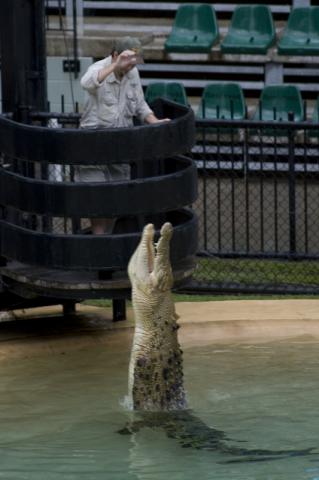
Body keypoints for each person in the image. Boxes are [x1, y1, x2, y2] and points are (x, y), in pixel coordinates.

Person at [78, 36, 169, 234]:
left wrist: (155, 121)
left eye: (133, 62)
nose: (130, 67)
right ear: (115, 55)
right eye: (127, 61)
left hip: (120, 146)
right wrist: (115, 65)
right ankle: (99, 247)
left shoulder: (132, 73)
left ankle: (105, 245)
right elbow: (86, 82)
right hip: (93, 144)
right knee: (96, 199)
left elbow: (139, 104)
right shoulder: (99, 68)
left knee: (116, 201)